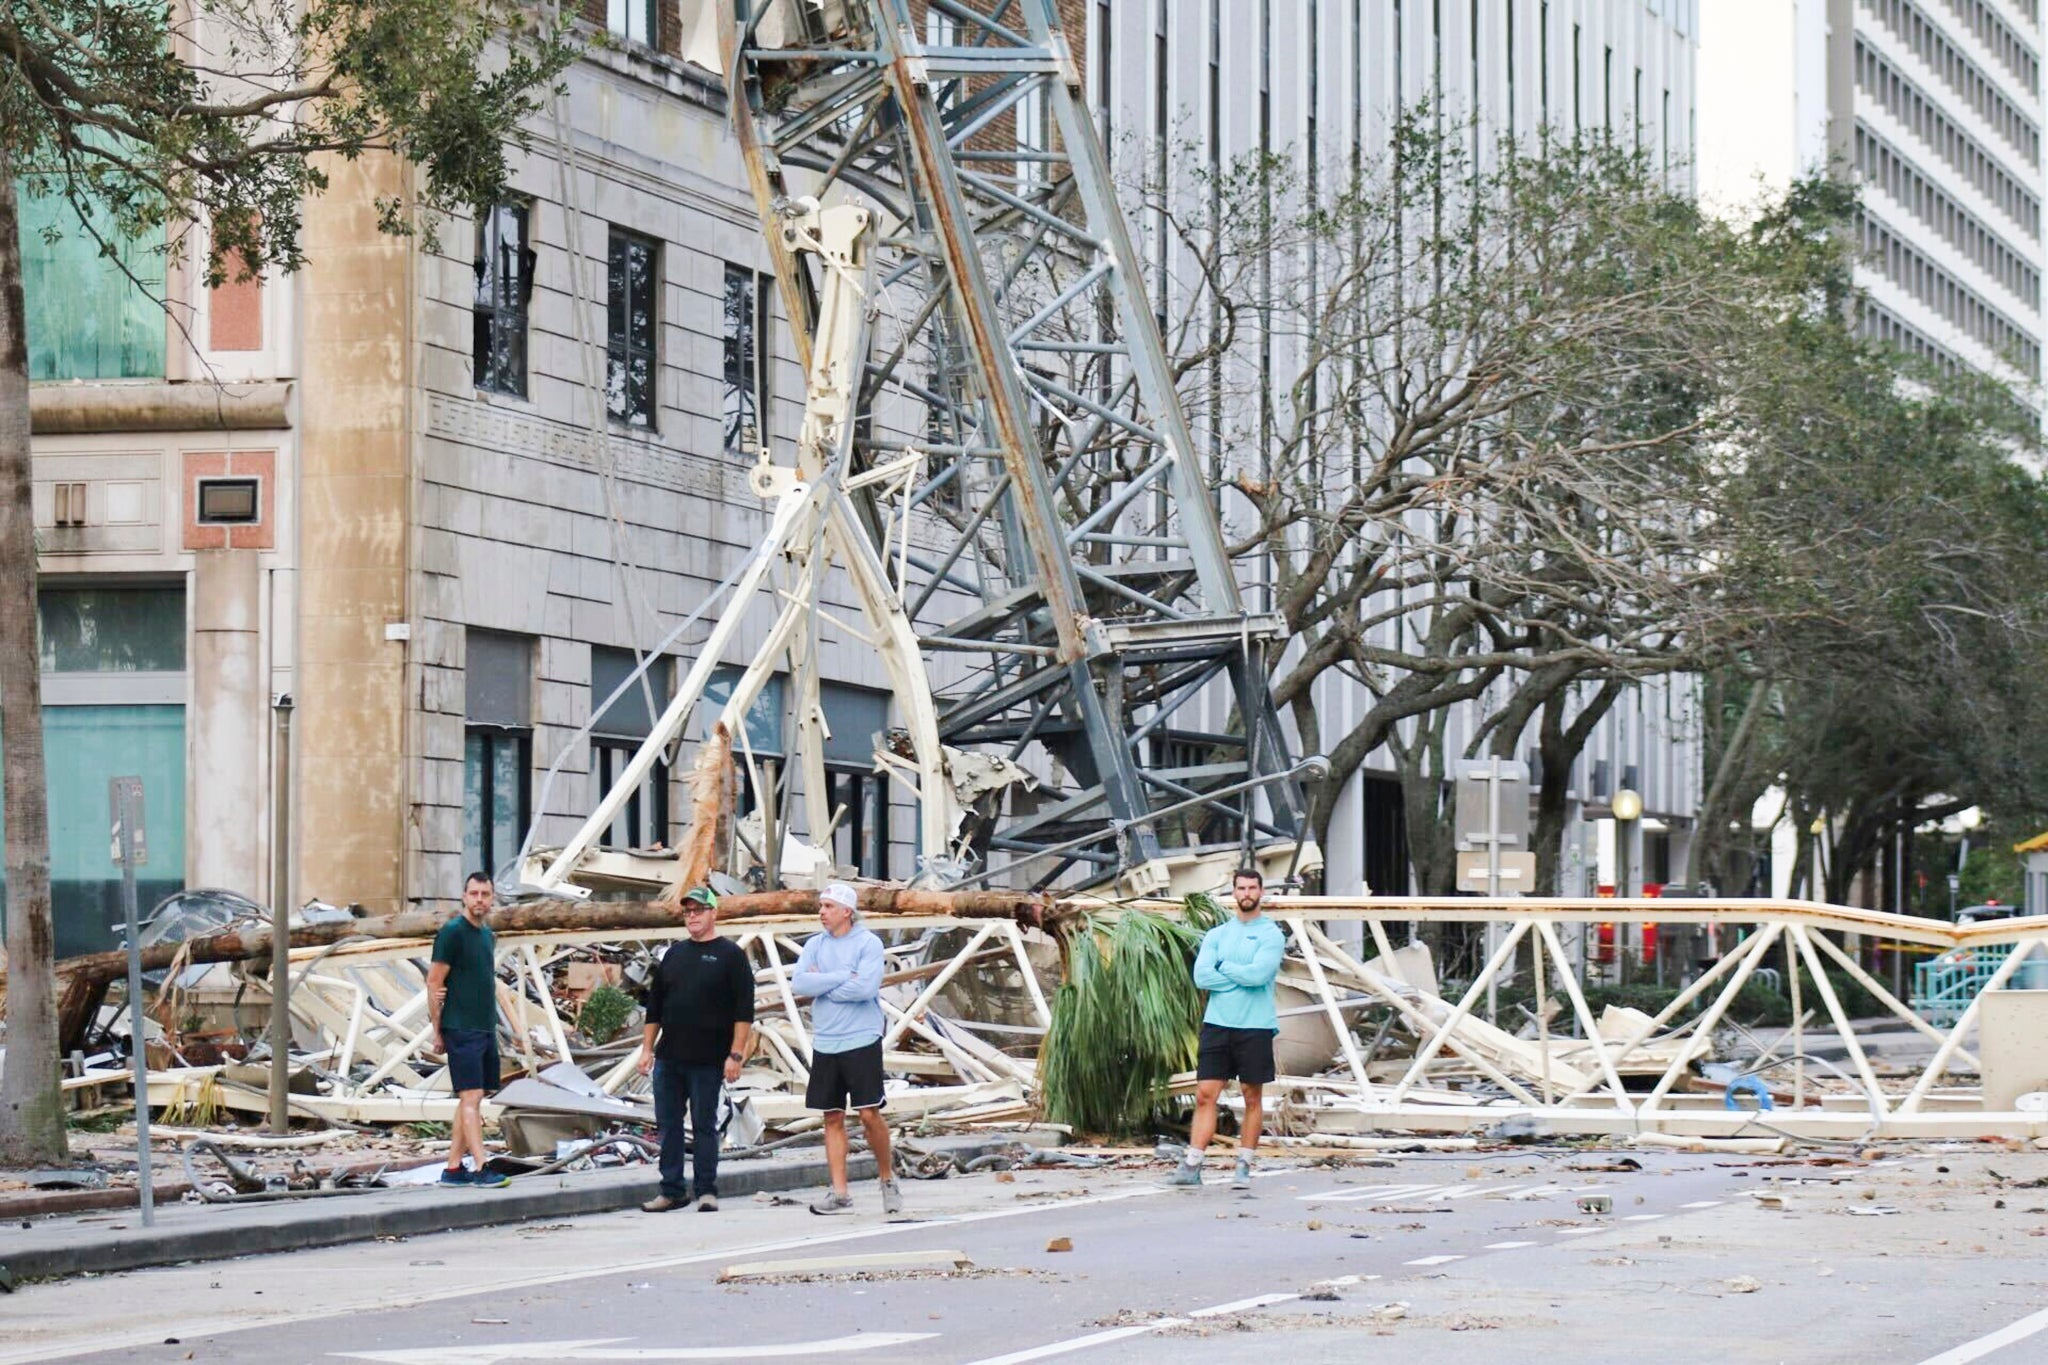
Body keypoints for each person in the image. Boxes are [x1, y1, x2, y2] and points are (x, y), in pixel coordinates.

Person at [638, 886, 754, 1213]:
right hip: (670, 1058)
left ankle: (706, 1189)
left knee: (704, 1126)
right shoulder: (673, 955)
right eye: (688, 911)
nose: (693, 916)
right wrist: (647, 1049)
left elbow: (744, 1010)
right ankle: (672, 1189)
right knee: (669, 1125)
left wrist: (735, 1054)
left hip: (708, 1060)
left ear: (713, 913)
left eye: (699, 910)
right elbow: (654, 1007)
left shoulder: (731, 955)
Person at [791, 881, 903, 1216]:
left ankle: (887, 1178)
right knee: (832, 1115)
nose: (821, 912)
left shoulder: (868, 943)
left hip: (861, 1036)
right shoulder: (814, 945)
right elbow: (800, 983)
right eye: (820, 906)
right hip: (826, 1038)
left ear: (846, 911)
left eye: (827, 906)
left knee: (869, 1112)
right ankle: (840, 1192)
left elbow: (866, 987)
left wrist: (824, 983)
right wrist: (842, 976)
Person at [1173, 866, 1284, 1191]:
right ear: (1233, 893)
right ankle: (1193, 1164)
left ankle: (1244, 1165)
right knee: (1206, 1094)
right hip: (1218, 1024)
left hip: (1255, 1026)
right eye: (1241, 888)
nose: (1246, 894)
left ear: (1260, 892)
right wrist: (1238, 973)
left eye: (1252, 888)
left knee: (1252, 1096)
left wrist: (1224, 966)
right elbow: (1201, 977)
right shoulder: (1217, 935)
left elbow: (1258, 977)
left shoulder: (1271, 934)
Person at [429, 871, 510, 1188]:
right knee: (471, 1095)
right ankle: (480, 1166)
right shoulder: (452, 933)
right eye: (474, 893)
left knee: (472, 1098)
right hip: (460, 1026)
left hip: (483, 1026)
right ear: (464, 896)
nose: (479, 899)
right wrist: (438, 1030)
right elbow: (434, 982)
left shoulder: (486, 936)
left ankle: (453, 1168)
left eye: (485, 894)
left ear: (491, 898)